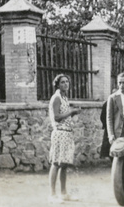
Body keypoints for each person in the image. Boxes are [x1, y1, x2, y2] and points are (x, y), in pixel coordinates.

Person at [48, 74, 81, 203]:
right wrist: (71, 112)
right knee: (56, 163)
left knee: (64, 164)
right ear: (57, 84)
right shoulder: (56, 98)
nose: (65, 84)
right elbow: (56, 117)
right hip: (59, 133)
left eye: (67, 82)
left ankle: (63, 193)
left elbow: (64, 116)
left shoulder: (64, 98)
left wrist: (72, 113)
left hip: (67, 133)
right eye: (62, 82)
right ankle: (52, 194)